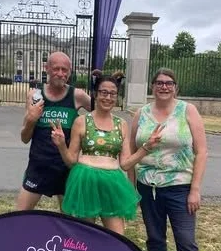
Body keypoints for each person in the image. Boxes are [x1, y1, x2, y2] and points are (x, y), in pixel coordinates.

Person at [130, 68, 209, 251]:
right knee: (154, 236)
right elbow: (132, 152)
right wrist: (132, 186)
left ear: (176, 87)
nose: (164, 87)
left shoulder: (187, 111)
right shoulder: (140, 114)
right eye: (159, 83)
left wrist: (195, 189)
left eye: (169, 83)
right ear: (152, 86)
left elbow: (202, 151)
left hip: (180, 186)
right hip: (148, 185)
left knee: (186, 239)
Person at [50, 72, 162, 235]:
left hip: (112, 183)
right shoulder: (81, 121)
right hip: (85, 181)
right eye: (103, 92)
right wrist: (61, 145)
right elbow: (71, 161)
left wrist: (147, 147)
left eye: (112, 94)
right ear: (95, 93)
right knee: (84, 236)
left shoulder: (121, 124)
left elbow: (125, 163)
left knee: (117, 237)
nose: (108, 97)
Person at [16, 51, 91, 210]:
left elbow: (100, 114)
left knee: (70, 223)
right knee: (20, 218)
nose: (61, 74)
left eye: (65, 70)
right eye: (56, 69)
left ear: (70, 72)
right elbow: (24, 138)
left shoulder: (77, 96)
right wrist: (31, 119)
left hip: (66, 169)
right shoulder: (35, 96)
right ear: (47, 69)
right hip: (38, 167)